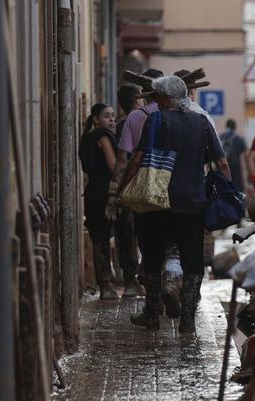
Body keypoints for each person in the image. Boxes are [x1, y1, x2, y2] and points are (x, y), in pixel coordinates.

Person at [119, 75, 230, 333]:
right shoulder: (202, 122)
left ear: (167, 99)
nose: (155, 101)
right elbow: (221, 163)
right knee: (192, 262)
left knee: (153, 258)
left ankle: (151, 315)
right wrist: (225, 192)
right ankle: (188, 321)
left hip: (156, 202)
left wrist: (124, 189)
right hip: (192, 203)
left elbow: (137, 159)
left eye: (157, 97)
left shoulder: (156, 119)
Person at [110, 68, 184, 321]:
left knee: (150, 249)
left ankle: (152, 312)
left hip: (144, 193)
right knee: (173, 246)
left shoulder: (135, 117)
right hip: (176, 191)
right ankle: (172, 289)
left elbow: (124, 159)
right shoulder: (182, 115)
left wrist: (117, 191)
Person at [78, 102, 120, 299]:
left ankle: (105, 285)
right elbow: (113, 165)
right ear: (96, 119)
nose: (111, 119)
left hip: (92, 189)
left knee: (98, 238)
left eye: (112, 115)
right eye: (106, 116)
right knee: (104, 238)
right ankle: (106, 285)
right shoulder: (102, 136)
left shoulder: (86, 137)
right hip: (104, 190)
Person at [106, 83, 143, 297]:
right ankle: (138, 278)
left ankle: (130, 279)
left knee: (126, 234)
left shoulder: (119, 127)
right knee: (142, 234)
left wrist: (115, 190)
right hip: (142, 185)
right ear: (137, 100)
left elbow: (120, 162)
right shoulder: (144, 120)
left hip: (126, 186)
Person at [220, 118, 248, 189]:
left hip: (222, 168)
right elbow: (245, 155)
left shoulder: (220, 137)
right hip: (236, 170)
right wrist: (247, 170)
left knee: (223, 189)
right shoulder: (239, 139)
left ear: (226, 126)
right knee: (237, 190)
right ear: (235, 127)